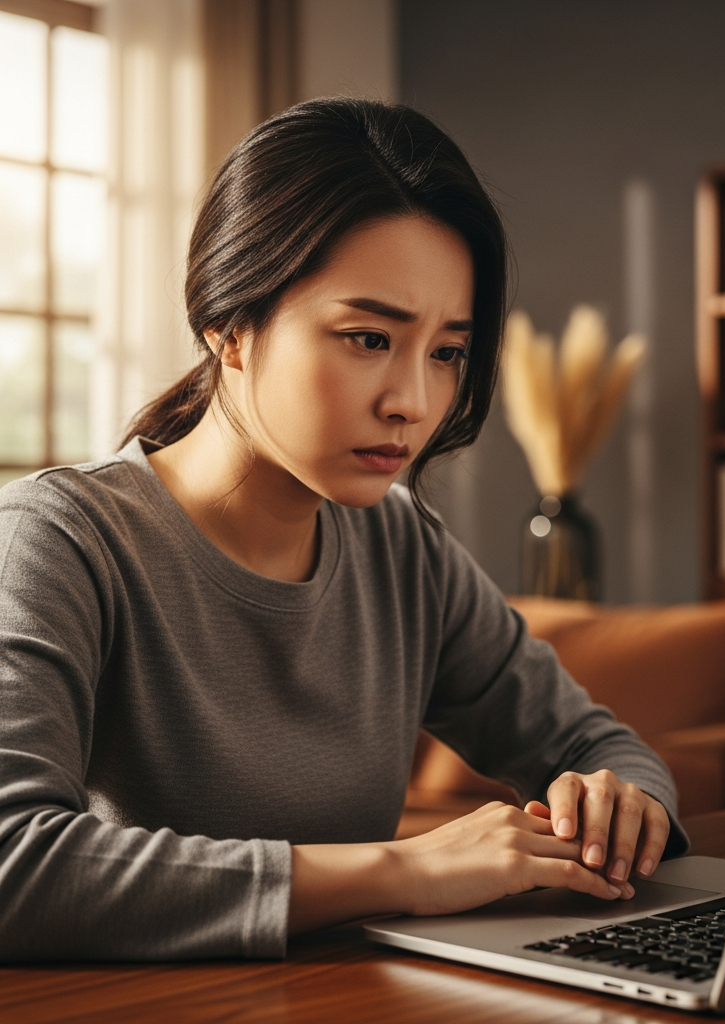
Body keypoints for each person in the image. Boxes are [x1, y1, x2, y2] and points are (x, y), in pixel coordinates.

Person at [0, 99, 685, 960]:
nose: (415, 401)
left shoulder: (405, 550)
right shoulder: (60, 539)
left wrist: (624, 802)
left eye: (446, 352)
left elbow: (595, 743)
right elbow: (12, 864)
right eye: (368, 338)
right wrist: (403, 872)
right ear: (230, 327)